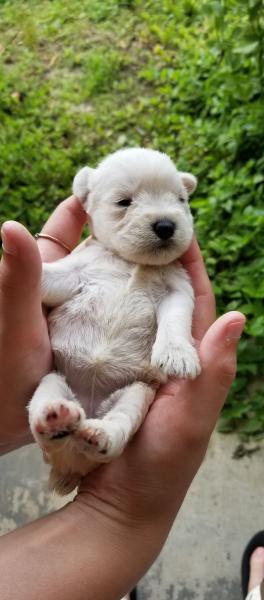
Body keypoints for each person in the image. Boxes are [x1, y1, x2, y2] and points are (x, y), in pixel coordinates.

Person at [0, 196, 245, 600]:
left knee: (137, 395)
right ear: (91, 201)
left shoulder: (172, 276)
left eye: (178, 199)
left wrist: (175, 341)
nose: (162, 216)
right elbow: (56, 281)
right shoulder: (89, 257)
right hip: (63, 374)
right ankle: (53, 427)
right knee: (49, 387)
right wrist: (29, 280)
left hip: (128, 381)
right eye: (126, 201)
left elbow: (177, 303)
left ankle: (108, 435)